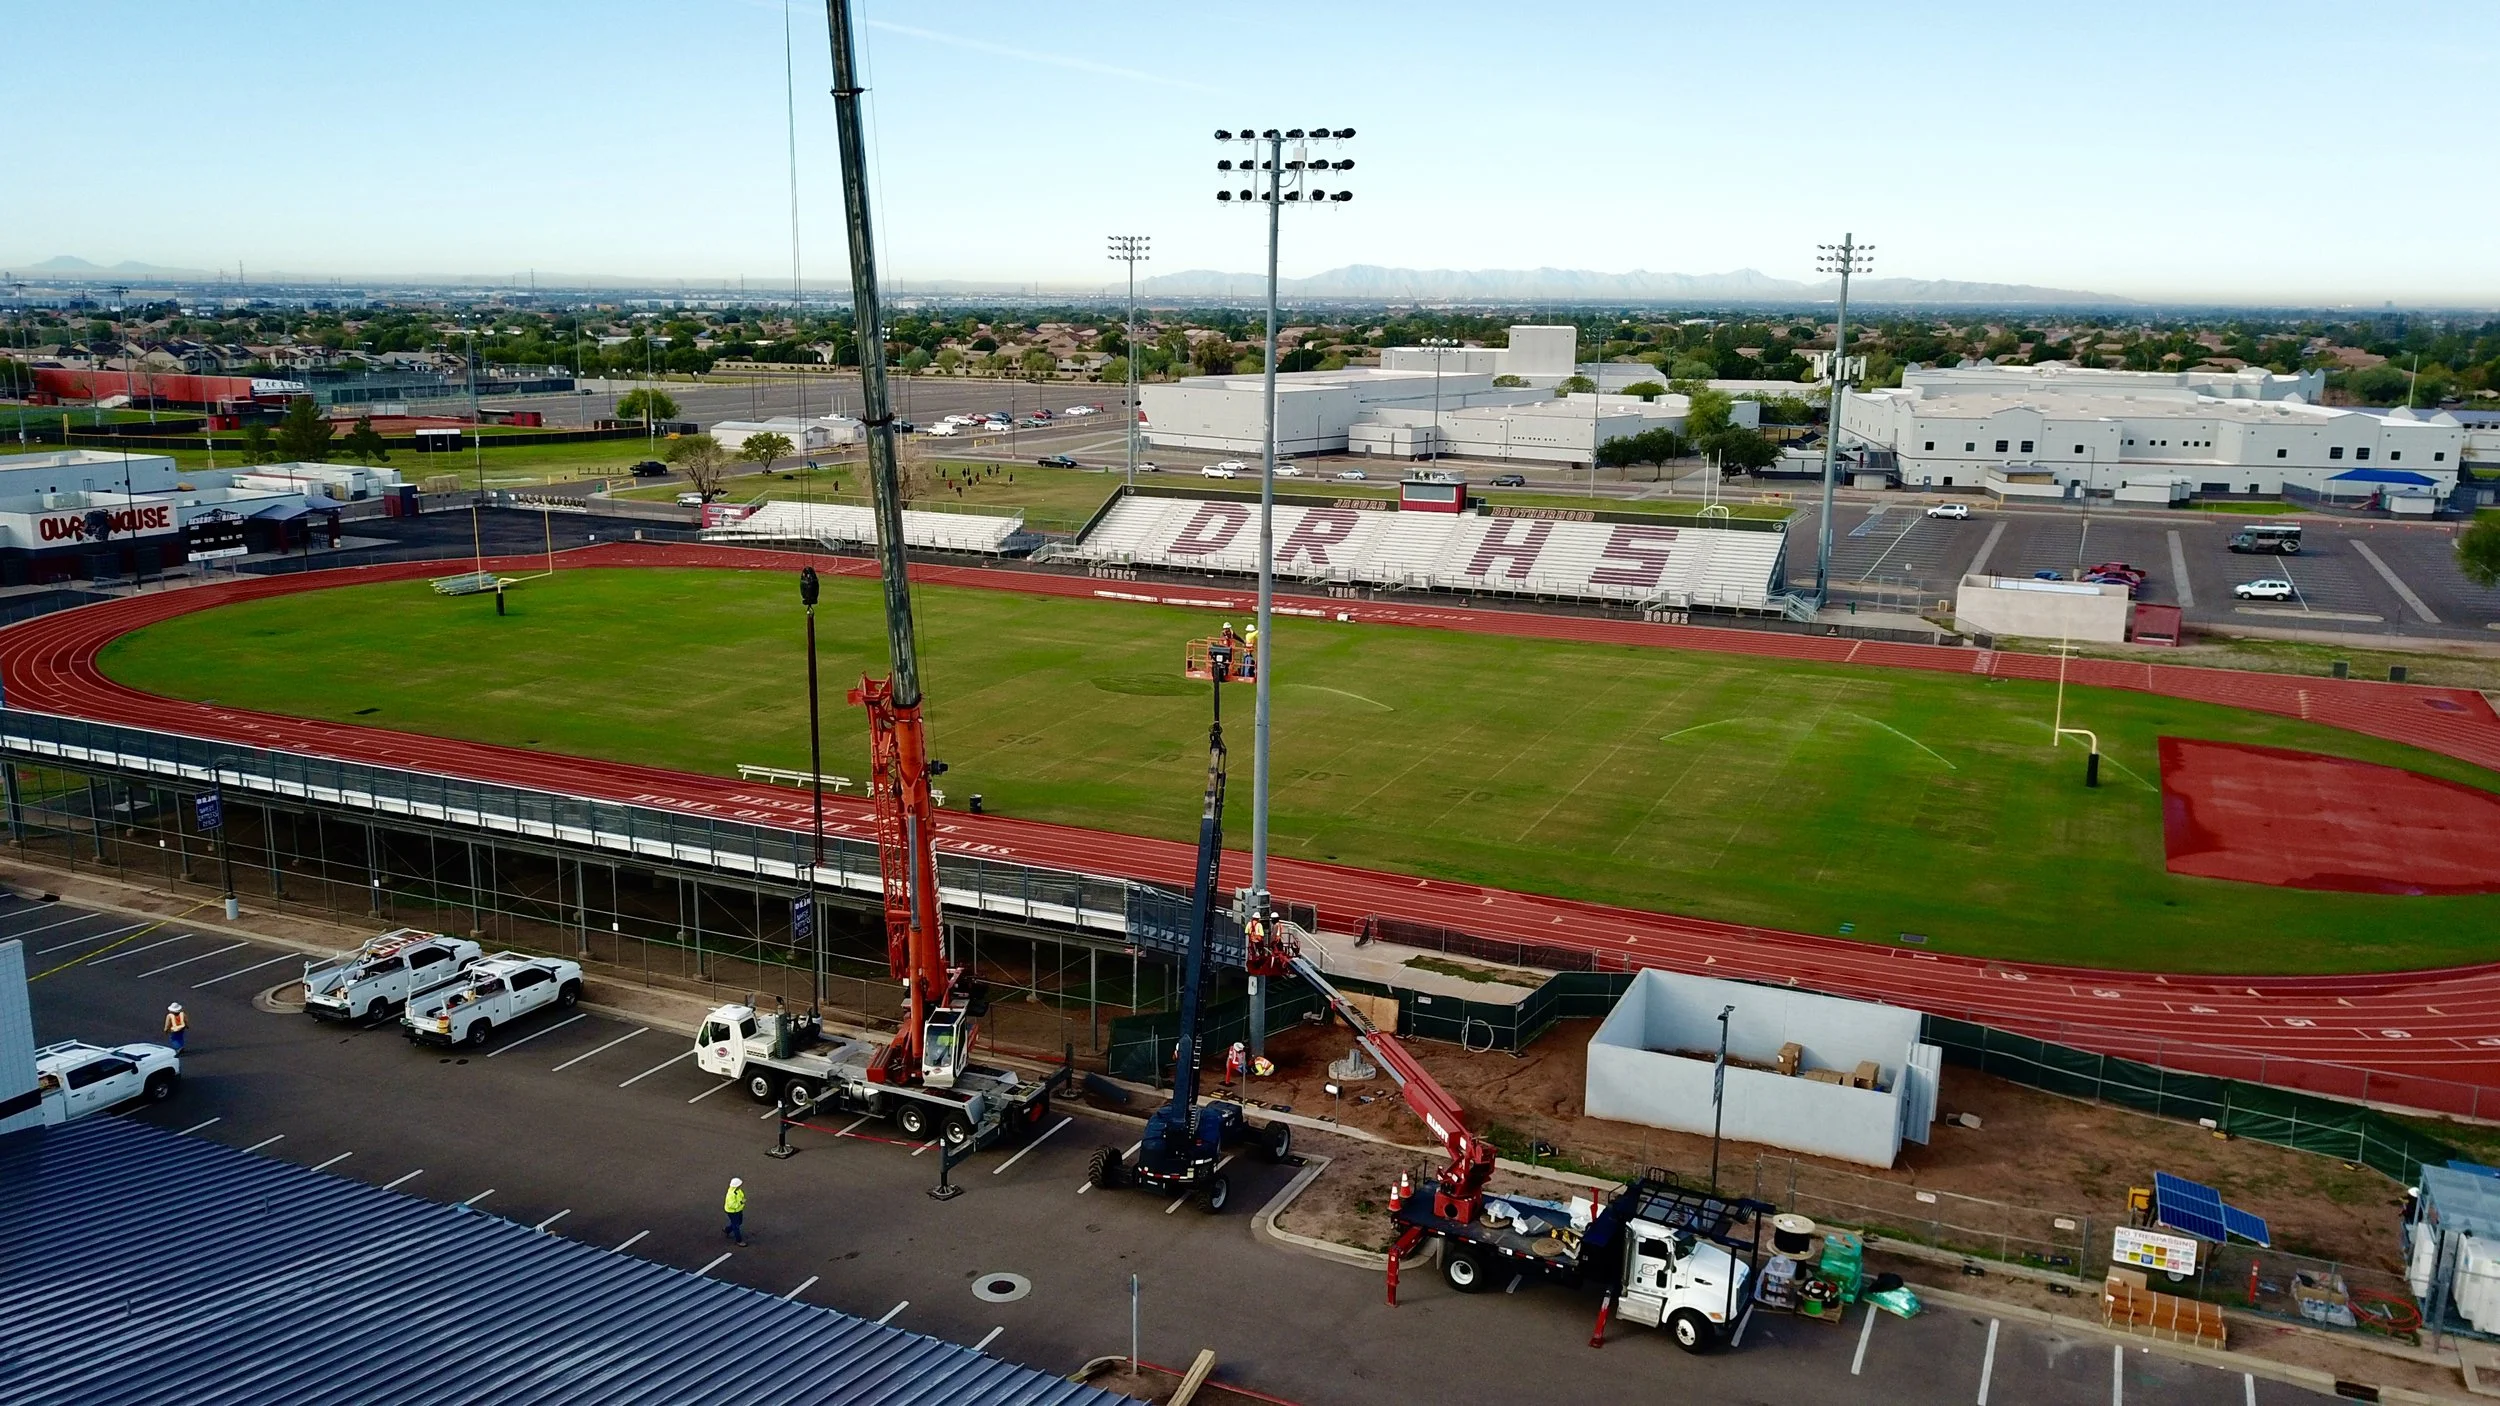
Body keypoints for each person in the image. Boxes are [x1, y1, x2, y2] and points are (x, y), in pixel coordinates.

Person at [723, 1177, 748, 1246]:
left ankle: (727, 1229)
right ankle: (739, 1241)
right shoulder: (731, 1194)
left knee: (739, 1222)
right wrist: (741, 1202)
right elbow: (732, 1205)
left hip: (738, 1210)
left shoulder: (738, 1190)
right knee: (736, 1225)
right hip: (733, 1212)